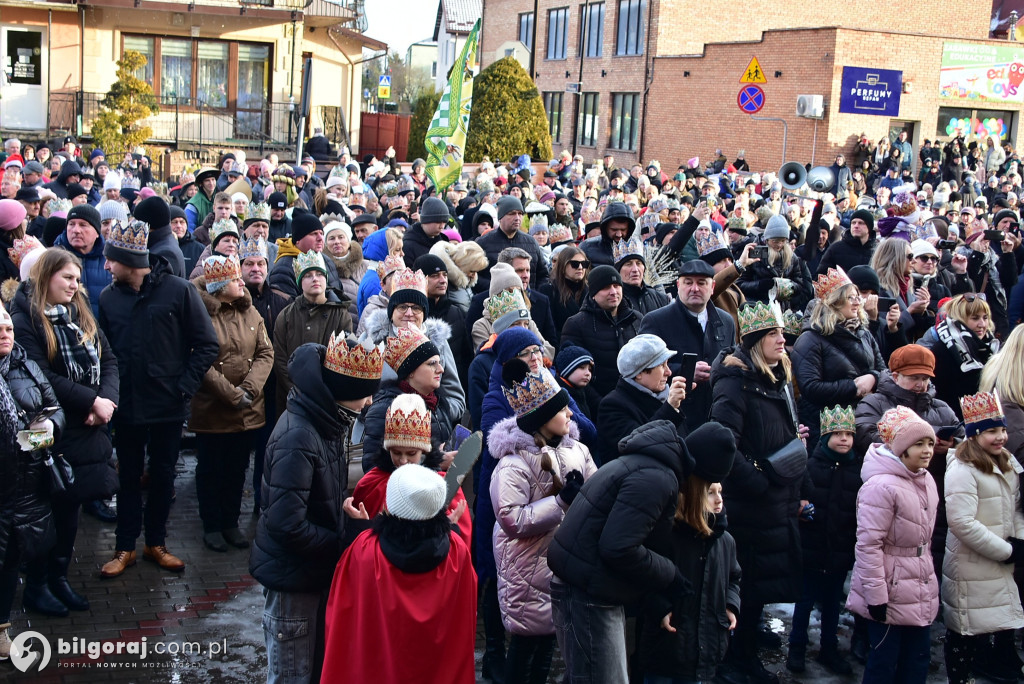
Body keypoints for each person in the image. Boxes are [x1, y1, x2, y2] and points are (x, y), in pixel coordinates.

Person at [250, 336, 383, 684]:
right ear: (341, 388)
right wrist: (343, 539)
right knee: (292, 675)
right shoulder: (300, 436)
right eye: (363, 392)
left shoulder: (323, 421)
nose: (369, 402)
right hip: (293, 583)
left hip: (307, 574)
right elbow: (286, 525)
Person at [97, 220, 219, 578]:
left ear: (128, 261)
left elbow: (206, 343)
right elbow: (106, 353)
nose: (106, 266)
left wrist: (183, 386)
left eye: (111, 260)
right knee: (129, 476)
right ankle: (124, 547)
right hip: (128, 405)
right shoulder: (108, 297)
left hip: (167, 405)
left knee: (164, 475)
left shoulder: (179, 291)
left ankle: (156, 542)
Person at [8, 249, 117, 617]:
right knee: (45, 512)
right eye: (67, 278)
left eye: (77, 279)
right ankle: (37, 585)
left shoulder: (79, 309)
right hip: (50, 429)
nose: (75, 285)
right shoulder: (25, 316)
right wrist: (90, 401)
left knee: (70, 507)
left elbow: (110, 359)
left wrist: (106, 401)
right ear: (46, 276)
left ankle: (59, 578)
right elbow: (40, 374)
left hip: (87, 427)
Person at [547, 420, 695, 684]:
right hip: (588, 593)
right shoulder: (656, 477)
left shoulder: (641, 463)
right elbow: (619, 548)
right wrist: (670, 574)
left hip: (585, 585)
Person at [709, 301, 807, 684]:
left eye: (782, 332)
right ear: (754, 341)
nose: (782, 340)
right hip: (751, 505)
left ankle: (747, 656)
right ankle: (733, 662)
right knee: (744, 589)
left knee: (759, 590)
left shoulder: (776, 377)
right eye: (773, 334)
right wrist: (760, 482)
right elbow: (723, 444)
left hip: (775, 502)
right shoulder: (735, 382)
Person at [487, 359, 597, 684]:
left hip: (560, 564)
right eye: (563, 410)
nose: (571, 415)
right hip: (525, 569)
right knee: (524, 649)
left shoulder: (577, 450)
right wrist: (561, 501)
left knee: (550, 643)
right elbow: (512, 519)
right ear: (544, 418)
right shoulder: (513, 465)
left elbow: (595, 494)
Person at [320, 464, 476, 684]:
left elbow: (342, 611)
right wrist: (452, 532)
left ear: (390, 506)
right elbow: (464, 614)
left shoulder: (364, 551)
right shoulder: (457, 553)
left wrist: (359, 527)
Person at [637, 426, 740, 684]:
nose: (719, 500)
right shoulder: (669, 536)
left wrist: (730, 603)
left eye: (720, 492)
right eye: (710, 492)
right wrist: (659, 608)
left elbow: (734, 577)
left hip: (706, 652)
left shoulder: (725, 540)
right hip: (666, 651)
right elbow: (644, 578)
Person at [847, 407, 939, 684]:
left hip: (919, 585)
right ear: (900, 448)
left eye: (930, 443)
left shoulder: (926, 479)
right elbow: (868, 545)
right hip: (891, 589)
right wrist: (876, 596)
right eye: (918, 444)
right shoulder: (881, 487)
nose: (927, 450)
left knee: (917, 661)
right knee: (884, 664)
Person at [189, 255, 273, 552]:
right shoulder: (199, 313)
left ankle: (230, 522)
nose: (242, 282)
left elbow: (266, 352)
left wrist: (250, 388)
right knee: (211, 469)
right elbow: (197, 359)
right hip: (213, 409)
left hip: (248, 408)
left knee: (238, 469)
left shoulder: (250, 312)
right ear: (220, 286)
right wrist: (232, 394)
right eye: (235, 279)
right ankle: (211, 524)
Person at [942, 391, 1024, 684]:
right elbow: (962, 523)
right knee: (965, 629)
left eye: (1002, 429)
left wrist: (1019, 541)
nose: (1001, 436)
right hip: (972, 564)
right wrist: (1006, 551)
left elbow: (1016, 506)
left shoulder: (1007, 461)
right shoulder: (963, 470)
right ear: (975, 435)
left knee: (995, 623)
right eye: (992, 431)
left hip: (1001, 559)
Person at [0, 301, 65, 655]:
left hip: (25, 488)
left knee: (11, 561)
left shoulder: (24, 363)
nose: (5, 334)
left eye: (8, 327)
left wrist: (34, 438)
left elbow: (56, 413)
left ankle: (1, 629)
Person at [787, 406, 861, 675]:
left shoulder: (857, 468)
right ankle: (797, 646)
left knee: (832, 603)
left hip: (840, 548)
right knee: (804, 600)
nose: (844, 439)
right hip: (812, 547)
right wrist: (800, 509)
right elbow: (797, 495)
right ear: (825, 436)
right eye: (837, 433)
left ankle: (829, 648)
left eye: (848, 434)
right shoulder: (811, 465)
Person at [351, 392, 470, 542]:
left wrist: (450, 528)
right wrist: (361, 524)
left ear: (424, 451)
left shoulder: (443, 484)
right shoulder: (371, 484)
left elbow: (460, 547)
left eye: (411, 453)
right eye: (396, 452)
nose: (403, 461)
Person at [362, 268, 466, 436]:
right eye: (402, 307)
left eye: (416, 308)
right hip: (378, 431)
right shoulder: (371, 342)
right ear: (392, 311)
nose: (409, 314)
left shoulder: (438, 343)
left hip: (429, 435)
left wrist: (429, 415)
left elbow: (456, 400)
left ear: (424, 313)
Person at [639, 259, 737, 431]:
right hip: (676, 417)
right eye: (688, 283)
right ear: (678, 285)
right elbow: (643, 368)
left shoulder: (726, 321)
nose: (694, 289)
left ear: (712, 287)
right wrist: (686, 372)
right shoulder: (656, 320)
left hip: (718, 413)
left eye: (701, 283)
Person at [792, 266, 885, 447]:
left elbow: (882, 370)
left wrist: (873, 378)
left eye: (857, 296)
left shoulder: (864, 333)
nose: (857, 302)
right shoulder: (810, 339)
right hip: (825, 427)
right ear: (834, 302)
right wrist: (854, 387)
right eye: (850, 297)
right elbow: (810, 387)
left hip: (863, 419)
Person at [359, 325, 463, 475]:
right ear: (411, 371)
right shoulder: (385, 407)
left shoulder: (439, 403)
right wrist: (436, 463)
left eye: (439, 362)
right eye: (432, 363)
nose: (441, 369)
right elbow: (372, 470)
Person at [597, 334, 687, 464]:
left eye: (667, 364)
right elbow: (639, 444)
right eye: (662, 366)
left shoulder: (662, 396)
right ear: (639, 373)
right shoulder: (612, 406)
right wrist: (670, 408)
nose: (669, 372)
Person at [560, 265, 643, 397]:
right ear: (593, 294)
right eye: (605, 287)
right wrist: (600, 405)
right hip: (599, 404)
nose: (613, 292)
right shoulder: (576, 324)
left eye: (616, 286)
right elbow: (574, 374)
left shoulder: (636, 319)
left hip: (636, 400)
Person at [920, 294, 999, 420]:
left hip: (984, 422)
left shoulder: (989, 347)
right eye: (975, 318)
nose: (982, 324)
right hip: (954, 424)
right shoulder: (942, 350)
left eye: (985, 318)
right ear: (960, 319)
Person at [53, 203, 110, 318]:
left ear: (97, 232)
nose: (76, 230)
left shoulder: (110, 260)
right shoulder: (54, 259)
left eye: (83, 225)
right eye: (71, 224)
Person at [537, 246, 589, 335]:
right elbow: (548, 329)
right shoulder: (548, 291)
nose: (580, 267)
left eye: (584, 264)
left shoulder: (591, 291)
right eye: (575, 264)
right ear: (563, 265)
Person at [613, 236, 670, 315]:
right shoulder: (613, 300)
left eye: (638, 263)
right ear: (618, 270)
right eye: (628, 264)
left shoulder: (661, 299)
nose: (635, 269)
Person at [323, 221, 365, 321]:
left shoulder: (366, 266)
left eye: (341, 237)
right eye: (331, 238)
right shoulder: (323, 268)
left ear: (349, 240)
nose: (337, 241)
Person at [816, 208, 877, 276]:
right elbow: (821, 276)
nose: (856, 226)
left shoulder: (877, 251)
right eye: (853, 223)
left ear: (869, 227)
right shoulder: (836, 249)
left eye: (861, 223)